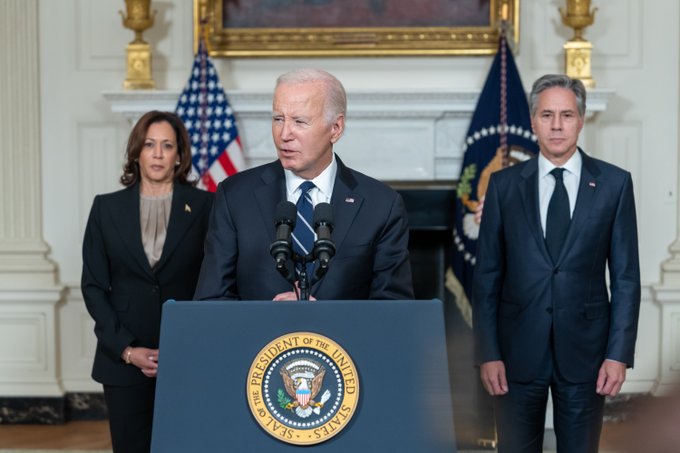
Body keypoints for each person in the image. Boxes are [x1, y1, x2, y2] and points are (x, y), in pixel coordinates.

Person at [472, 74, 641, 453]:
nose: (557, 125)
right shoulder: (503, 186)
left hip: (587, 354)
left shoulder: (614, 185)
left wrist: (618, 354)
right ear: (532, 121)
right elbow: (487, 277)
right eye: (547, 115)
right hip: (515, 354)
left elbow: (627, 278)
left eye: (566, 115)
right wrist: (488, 352)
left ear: (581, 120)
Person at [193, 68, 413, 301]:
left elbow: (393, 310)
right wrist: (265, 319)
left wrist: (324, 321)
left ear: (335, 128)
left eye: (299, 121)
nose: (284, 134)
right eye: (278, 119)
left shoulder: (381, 205)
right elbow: (211, 300)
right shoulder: (235, 196)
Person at [81, 111, 213, 453]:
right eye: (150, 145)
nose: (157, 154)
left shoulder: (205, 206)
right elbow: (94, 286)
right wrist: (126, 349)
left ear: (179, 155)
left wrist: (189, 343)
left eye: (167, 145)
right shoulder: (105, 208)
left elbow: (215, 279)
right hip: (122, 362)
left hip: (188, 357)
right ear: (136, 152)